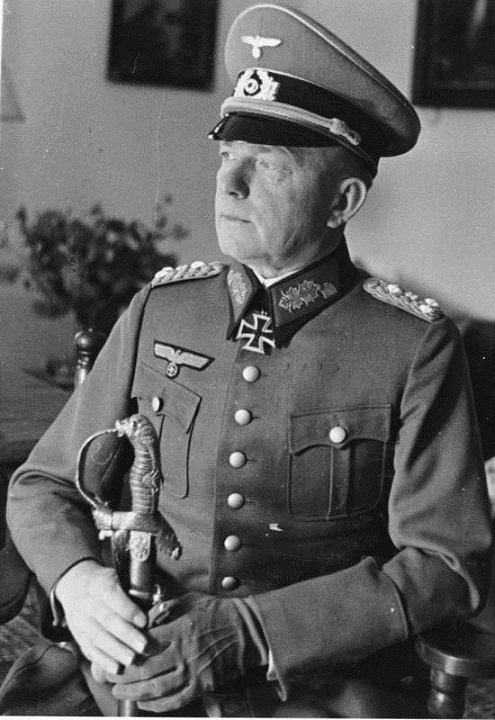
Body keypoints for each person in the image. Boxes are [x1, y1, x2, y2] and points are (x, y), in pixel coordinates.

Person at [2, 3, 493, 717]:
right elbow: (41, 484)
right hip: (131, 662)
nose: (229, 184)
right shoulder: (161, 311)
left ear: (342, 201)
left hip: (310, 686)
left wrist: (248, 634)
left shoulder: (411, 347)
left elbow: (446, 563)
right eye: (227, 156)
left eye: (268, 167)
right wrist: (79, 583)